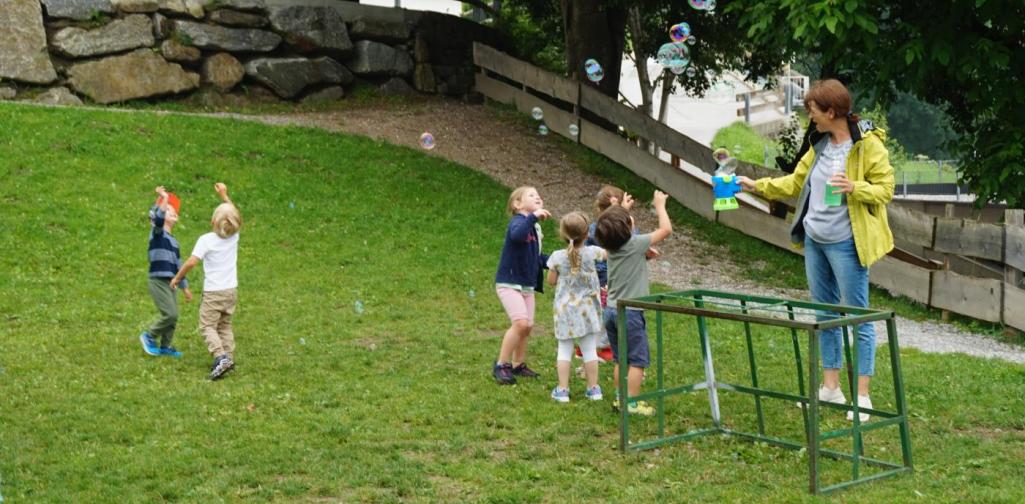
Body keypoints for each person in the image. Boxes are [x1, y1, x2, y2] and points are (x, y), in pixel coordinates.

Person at [737, 79, 895, 421]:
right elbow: (795, 182)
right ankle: (831, 388)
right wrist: (757, 185)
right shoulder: (820, 143)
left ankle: (862, 397)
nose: (811, 117)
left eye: (814, 111)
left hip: (847, 244)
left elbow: (885, 190)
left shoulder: (868, 146)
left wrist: (855, 187)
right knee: (824, 315)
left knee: (858, 317)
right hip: (815, 241)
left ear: (832, 112)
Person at [594, 190, 673, 416]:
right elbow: (666, 230)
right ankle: (632, 403)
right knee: (637, 360)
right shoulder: (635, 242)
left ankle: (621, 399)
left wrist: (623, 212)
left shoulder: (611, 245)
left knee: (621, 358)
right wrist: (660, 206)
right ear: (629, 226)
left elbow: (612, 227)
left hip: (611, 310)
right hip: (630, 312)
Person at [171, 183, 242, 381]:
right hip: (231, 291)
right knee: (224, 325)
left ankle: (220, 357)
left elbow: (192, 261)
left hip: (214, 293)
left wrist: (178, 277)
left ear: (212, 221)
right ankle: (229, 357)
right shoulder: (234, 236)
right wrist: (225, 196)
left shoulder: (206, 240)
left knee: (207, 326)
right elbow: (234, 215)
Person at [492, 186, 550, 385]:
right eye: (531, 195)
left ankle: (518, 364)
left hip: (526, 285)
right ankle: (501, 364)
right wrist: (533, 217)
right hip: (509, 282)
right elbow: (517, 236)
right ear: (517, 204)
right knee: (520, 324)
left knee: (528, 327)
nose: (537, 196)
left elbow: (537, 257)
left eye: (538, 194)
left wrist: (558, 261)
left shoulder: (534, 227)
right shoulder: (518, 222)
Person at [546, 212, 605, 402]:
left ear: (563, 234)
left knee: (564, 350)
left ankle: (563, 391)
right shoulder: (593, 252)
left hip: (565, 312)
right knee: (589, 350)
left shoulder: (556, 257)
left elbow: (551, 282)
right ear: (587, 234)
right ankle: (593, 389)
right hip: (588, 311)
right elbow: (609, 254)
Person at [140, 186, 192, 358]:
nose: (172, 211)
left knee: (173, 317)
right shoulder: (157, 233)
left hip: (171, 282)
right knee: (170, 314)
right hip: (158, 280)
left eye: (173, 210)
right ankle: (149, 336)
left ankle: (165, 346)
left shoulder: (174, 242)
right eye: (167, 209)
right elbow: (159, 219)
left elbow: (179, 266)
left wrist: (184, 286)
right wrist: (164, 198)